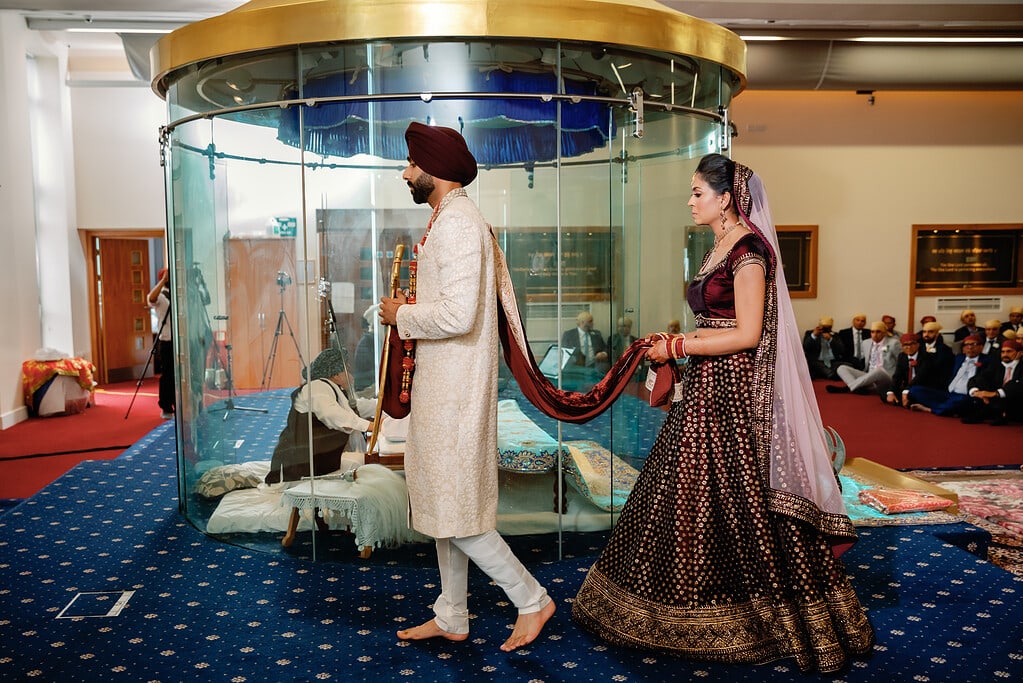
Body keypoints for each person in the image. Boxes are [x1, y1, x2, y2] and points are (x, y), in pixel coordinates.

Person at [572, 153, 873, 672]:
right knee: (688, 485)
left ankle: (751, 612)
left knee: (732, 492)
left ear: (726, 198)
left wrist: (680, 347)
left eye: (697, 193)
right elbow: (718, 322)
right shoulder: (719, 245)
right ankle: (674, 603)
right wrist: (679, 349)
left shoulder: (750, 251)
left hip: (731, 391)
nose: (690, 202)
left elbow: (748, 333)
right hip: (708, 384)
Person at [379, 122, 554, 652]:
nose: (406, 173)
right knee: (443, 503)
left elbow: (458, 315)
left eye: (412, 165)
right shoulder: (448, 219)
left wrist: (401, 314)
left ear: (434, 172)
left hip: (455, 389)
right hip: (444, 385)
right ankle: (452, 613)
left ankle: (531, 599)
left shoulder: (458, 225)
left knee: (458, 507)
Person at [264, 348, 376, 484]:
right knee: (362, 465)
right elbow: (335, 416)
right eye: (347, 369)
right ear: (335, 374)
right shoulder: (317, 387)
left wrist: (384, 409)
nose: (350, 374)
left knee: (364, 465)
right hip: (303, 464)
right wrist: (374, 427)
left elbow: (355, 407)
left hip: (318, 458)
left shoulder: (330, 388)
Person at [908, 334, 989, 416]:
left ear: (981, 347)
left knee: (961, 402)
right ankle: (947, 408)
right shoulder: (959, 358)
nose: (970, 347)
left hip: (966, 396)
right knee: (915, 390)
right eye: (967, 345)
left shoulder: (988, 361)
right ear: (963, 349)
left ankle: (930, 409)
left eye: (974, 344)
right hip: (948, 393)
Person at [961, 338, 1023, 425]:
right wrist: (976, 392)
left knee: (1014, 386)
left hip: (1016, 399)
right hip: (996, 399)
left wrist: (995, 393)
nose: (1005, 354)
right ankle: (997, 412)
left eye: (1009, 351)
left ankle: (996, 413)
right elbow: (977, 378)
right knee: (981, 381)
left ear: (1020, 353)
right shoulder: (997, 364)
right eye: (1003, 352)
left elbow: (1018, 385)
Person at [829, 320, 900, 394]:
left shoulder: (894, 343)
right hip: (869, 375)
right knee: (841, 368)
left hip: (886, 377)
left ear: (884, 333)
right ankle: (858, 388)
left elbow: (901, 361)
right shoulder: (866, 343)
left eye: (878, 332)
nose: (875, 335)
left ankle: (849, 387)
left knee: (878, 371)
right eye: (872, 332)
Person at [147, 268, 174, 419]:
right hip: (166, 340)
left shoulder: (178, 294)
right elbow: (151, 298)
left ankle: (179, 403)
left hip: (179, 341)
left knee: (179, 375)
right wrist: (163, 281)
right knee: (168, 375)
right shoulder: (161, 296)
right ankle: (165, 406)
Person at [802, 315, 846, 379]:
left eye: (828, 327)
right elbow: (805, 347)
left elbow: (841, 349)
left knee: (847, 366)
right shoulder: (810, 333)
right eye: (824, 327)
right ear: (819, 325)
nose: (825, 329)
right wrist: (814, 335)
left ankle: (830, 373)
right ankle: (832, 374)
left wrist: (831, 339)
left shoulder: (835, 335)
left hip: (833, 361)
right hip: (818, 361)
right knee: (819, 366)